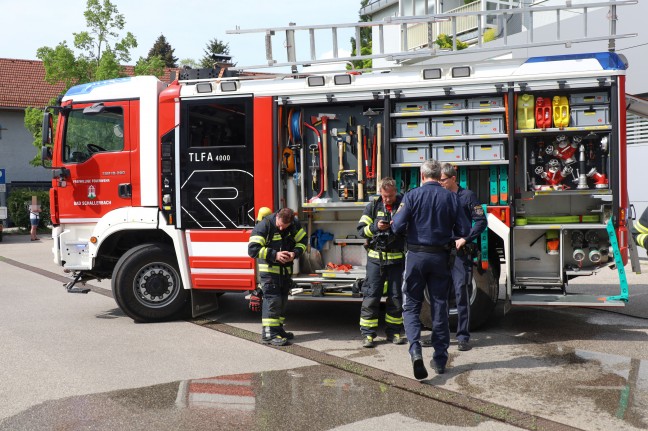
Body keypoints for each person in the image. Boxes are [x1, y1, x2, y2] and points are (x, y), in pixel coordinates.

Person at [391, 159, 470, 379]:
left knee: (412, 305)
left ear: (421, 175)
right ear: (439, 175)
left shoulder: (412, 195)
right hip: (440, 258)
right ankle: (440, 358)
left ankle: (415, 348)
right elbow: (464, 228)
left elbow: (396, 226)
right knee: (440, 305)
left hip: (416, 256)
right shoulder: (452, 197)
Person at [433, 163, 487, 352]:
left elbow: (481, 221)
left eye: (443, 180)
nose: (440, 183)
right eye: (438, 180)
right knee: (439, 295)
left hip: (459, 252)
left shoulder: (468, 196)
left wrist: (466, 238)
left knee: (461, 293)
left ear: (453, 178)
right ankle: (439, 335)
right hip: (440, 251)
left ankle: (463, 336)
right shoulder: (439, 195)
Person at [356, 177, 406, 348]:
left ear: (395, 192)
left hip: (397, 259)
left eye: (390, 196)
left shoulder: (403, 205)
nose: (387, 199)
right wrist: (377, 227)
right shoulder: (372, 206)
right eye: (384, 196)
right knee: (371, 296)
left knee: (396, 297)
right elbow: (361, 231)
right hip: (376, 259)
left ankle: (394, 332)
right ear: (380, 193)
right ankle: (368, 335)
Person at [248, 207, 307, 346]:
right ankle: (269, 335)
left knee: (282, 302)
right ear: (277, 217)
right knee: (272, 301)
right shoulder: (264, 225)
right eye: (279, 225)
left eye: (284, 227)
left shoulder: (294, 225)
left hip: (285, 272)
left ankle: (278, 330)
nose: (281, 229)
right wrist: (275, 255)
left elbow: (303, 241)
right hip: (269, 271)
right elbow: (252, 249)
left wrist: (295, 253)